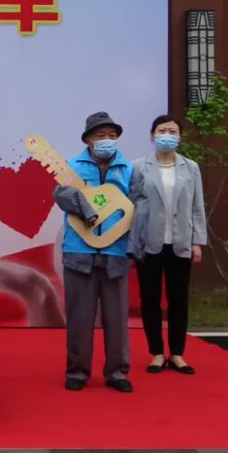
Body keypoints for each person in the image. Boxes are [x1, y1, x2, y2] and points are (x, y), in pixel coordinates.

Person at [53, 112, 135, 393]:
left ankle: (117, 372)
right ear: (88, 139)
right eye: (101, 136)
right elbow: (60, 194)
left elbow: (137, 205)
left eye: (112, 136)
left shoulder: (128, 168)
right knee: (79, 317)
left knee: (117, 318)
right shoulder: (72, 166)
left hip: (116, 252)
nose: (107, 140)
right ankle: (77, 371)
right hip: (79, 252)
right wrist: (87, 209)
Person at [129, 115, 207, 375]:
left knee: (178, 300)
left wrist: (197, 241)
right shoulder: (138, 167)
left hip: (180, 243)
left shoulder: (190, 167)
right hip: (148, 244)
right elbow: (131, 205)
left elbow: (197, 207)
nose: (167, 135)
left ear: (179, 137)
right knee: (150, 300)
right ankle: (156, 353)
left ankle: (177, 353)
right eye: (162, 130)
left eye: (172, 131)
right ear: (152, 136)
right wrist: (132, 241)